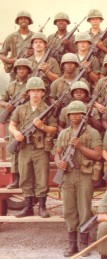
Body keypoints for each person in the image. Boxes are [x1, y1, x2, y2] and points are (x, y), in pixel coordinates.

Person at [54, 101, 102, 257]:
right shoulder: (64, 134)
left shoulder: (92, 133)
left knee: (84, 209)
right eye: (72, 114)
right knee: (69, 210)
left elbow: (98, 155)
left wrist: (80, 146)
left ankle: (83, 242)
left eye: (78, 114)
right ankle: (72, 243)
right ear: (68, 116)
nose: (75, 117)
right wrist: (58, 161)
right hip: (67, 175)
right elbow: (57, 152)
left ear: (84, 116)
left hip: (84, 175)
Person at [9, 77, 58, 218]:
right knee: (25, 177)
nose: (35, 94)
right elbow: (12, 124)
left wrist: (42, 126)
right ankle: (27, 207)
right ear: (28, 92)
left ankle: (42, 207)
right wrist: (16, 133)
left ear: (43, 93)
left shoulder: (47, 109)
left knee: (42, 177)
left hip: (40, 149)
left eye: (38, 91)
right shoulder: (21, 109)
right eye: (33, 91)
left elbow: (53, 129)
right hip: (24, 148)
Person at [0, 59, 32, 189]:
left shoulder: (31, 84)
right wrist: (7, 105)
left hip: (28, 120)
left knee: (28, 151)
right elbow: (2, 100)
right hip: (15, 121)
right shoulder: (11, 86)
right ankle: (16, 179)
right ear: (16, 71)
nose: (21, 71)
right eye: (19, 69)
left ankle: (28, 179)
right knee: (15, 152)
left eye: (24, 68)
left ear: (28, 71)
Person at [0, 10, 34, 81]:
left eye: (26, 18)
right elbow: (2, 54)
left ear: (29, 21)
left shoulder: (34, 36)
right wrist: (10, 60)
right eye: (21, 18)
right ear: (18, 21)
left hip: (32, 71)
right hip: (15, 72)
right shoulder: (11, 37)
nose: (23, 20)